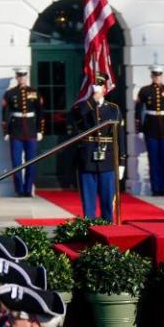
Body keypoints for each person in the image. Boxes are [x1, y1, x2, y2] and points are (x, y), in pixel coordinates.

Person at [71, 74, 122, 221]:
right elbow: (77, 115)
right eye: (94, 86)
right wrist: (92, 101)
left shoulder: (114, 109)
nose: (96, 89)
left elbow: (120, 137)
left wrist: (122, 161)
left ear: (105, 89)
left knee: (107, 203)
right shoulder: (83, 107)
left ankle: (108, 232)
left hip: (107, 159)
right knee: (88, 205)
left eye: (99, 86)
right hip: (87, 159)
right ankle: (89, 230)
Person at [134, 65, 164, 197]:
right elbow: (138, 111)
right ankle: (155, 188)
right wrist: (140, 129)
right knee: (153, 159)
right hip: (150, 128)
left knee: (163, 159)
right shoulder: (145, 91)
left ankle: (163, 187)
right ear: (151, 76)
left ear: (162, 76)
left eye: (159, 75)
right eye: (155, 75)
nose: (157, 77)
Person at [1, 67, 44, 197]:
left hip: (31, 130)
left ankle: (28, 189)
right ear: (16, 77)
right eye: (19, 76)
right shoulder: (9, 93)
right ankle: (19, 189)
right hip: (16, 131)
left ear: (27, 76)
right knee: (16, 161)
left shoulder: (34, 92)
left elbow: (40, 112)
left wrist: (40, 130)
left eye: (23, 76)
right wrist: (6, 131)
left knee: (31, 160)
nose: (21, 78)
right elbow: (5, 113)